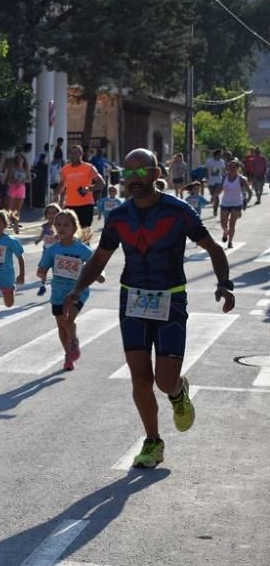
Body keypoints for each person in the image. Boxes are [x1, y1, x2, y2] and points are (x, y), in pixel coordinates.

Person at [64, 148, 235, 469]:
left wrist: (225, 284)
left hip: (170, 299)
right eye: (128, 174)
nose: (135, 179)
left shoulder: (178, 211)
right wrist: (76, 290)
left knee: (164, 380)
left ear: (157, 173)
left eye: (142, 172)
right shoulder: (118, 217)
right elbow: (99, 258)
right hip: (132, 300)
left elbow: (213, 248)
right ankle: (153, 442)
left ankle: (178, 390)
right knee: (140, 378)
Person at [37, 209, 103, 371]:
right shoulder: (52, 250)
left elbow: (95, 264)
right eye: (58, 224)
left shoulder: (81, 249)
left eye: (66, 225)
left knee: (68, 320)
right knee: (61, 327)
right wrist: (41, 272)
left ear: (74, 228)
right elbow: (42, 268)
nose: (61, 228)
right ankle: (68, 355)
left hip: (77, 291)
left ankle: (74, 341)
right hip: (58, 292)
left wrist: (100, 275)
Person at [54, 144, 105, 243]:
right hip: (70, 206)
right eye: (72, 153)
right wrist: (56, 195)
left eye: (76, 153)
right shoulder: (65, 169)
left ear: (81, 154)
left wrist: (89, 189)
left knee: (85, 231)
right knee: (71, 232)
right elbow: (61, 184)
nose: (73, 155)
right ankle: (73, 254)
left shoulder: (89, 167)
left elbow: (101, 183)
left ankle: (86, 252)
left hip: (86, 205)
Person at [219, 160, 251, 249]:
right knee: (223, 223)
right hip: (225, 202)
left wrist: (247, 201)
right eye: (230, 166)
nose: (231, 168)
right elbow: (220, 188)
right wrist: (214, 196)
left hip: (237, 203)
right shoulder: (224, 177)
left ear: (237, 168)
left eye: (234, 167)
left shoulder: (241, 179)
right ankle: (225, 232)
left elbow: (249, 191)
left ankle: (230, 242)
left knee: (232, 224)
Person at [34, 203, 61, 296]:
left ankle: (56, 287)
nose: (51, 215)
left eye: (54, 213)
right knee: (42, 270)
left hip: (57, 254)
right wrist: (38, 240)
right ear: (46, 215)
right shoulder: (45, 226)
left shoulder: (59, 226)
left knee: (55, 271)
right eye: (49, 213)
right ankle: (42, 285)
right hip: (46, 252)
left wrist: (58, 236)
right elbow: (43, 234)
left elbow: (63, 237)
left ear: (58, 214)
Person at [3, 153, 30, 233]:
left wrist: (23, 181)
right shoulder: (13, 168)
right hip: (13, 188)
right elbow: (9, 179)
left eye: (20, 159)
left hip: (21, 189)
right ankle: (8, 223)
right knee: (10, 208)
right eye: (17, 159)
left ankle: (16, 224)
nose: (19, 161)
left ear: (23, 160)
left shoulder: (26, 169)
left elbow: (29, 179)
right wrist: (14, 181)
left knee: (18, 208)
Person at [205, 149, 225, 216]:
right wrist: (206, 179)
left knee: (216, 196)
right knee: (214, 195)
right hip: (211, 181)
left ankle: (215, 210)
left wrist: (226, 177)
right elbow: (206, 170)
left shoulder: (222, 161)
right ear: (216, 154)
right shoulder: (209, 161)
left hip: (219, 180)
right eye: (220, 154)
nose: (221, 156)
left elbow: (223, 171)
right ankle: (214, 205)